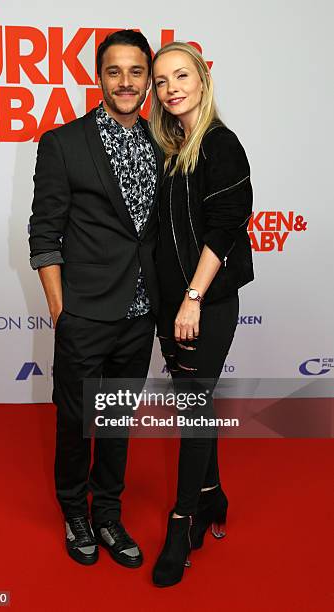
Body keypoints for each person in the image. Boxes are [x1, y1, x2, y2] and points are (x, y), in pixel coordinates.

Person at [29, 30, 163, 568]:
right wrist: (62, 311)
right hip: (84, 313)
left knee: (115, 419)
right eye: (115, 71)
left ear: (147, 78)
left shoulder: (164, 143)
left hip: (140, 314)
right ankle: (75, 512)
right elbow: (44, 233)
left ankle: (107, 512)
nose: (126, 82)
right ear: (98, 76)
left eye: (136, 71)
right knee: (74, 418)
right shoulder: (63, 143)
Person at [150, 42, 254, 586]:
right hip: (174, 304)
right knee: (196, 402)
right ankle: (213, 496)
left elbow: (225, 228)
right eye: (162, 80)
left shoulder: (220, 144)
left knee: (191, 408)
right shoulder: (171, 148)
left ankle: (181, 521)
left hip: (205, 303)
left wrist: (192, 297)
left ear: (202, 78)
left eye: (181, 75)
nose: (172, 88)